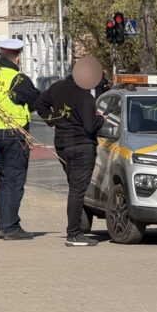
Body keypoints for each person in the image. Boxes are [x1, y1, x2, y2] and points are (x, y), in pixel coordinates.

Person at [36, 56, 105, 247]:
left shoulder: (57, 88)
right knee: (77, 190)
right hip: (82, 146)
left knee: (74, 188)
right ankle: (74, 234)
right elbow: (91, 127)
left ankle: (75, 230)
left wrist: (53, 121)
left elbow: (40, 104)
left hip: (62, 145)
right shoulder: (85, 97)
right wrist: (102, 119)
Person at [0, 38, 40, 240]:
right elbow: (35, 100)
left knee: (4, 180)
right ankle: (10, 227)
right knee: (14, 181)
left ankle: (3, 225)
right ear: (17, 57)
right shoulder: (17, 78)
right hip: (13, 134)